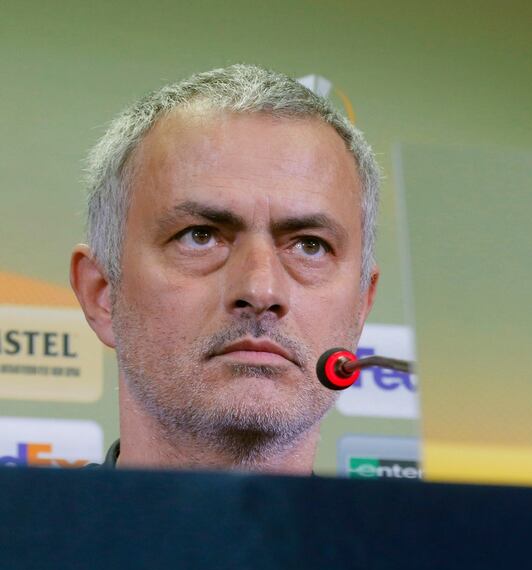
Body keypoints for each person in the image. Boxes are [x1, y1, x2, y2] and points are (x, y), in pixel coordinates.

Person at [70, 64, 380, 474]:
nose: (261, 289)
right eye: (199, 236)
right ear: (102, 293)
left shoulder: (426, 540)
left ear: (361, 306)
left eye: (310, 245)